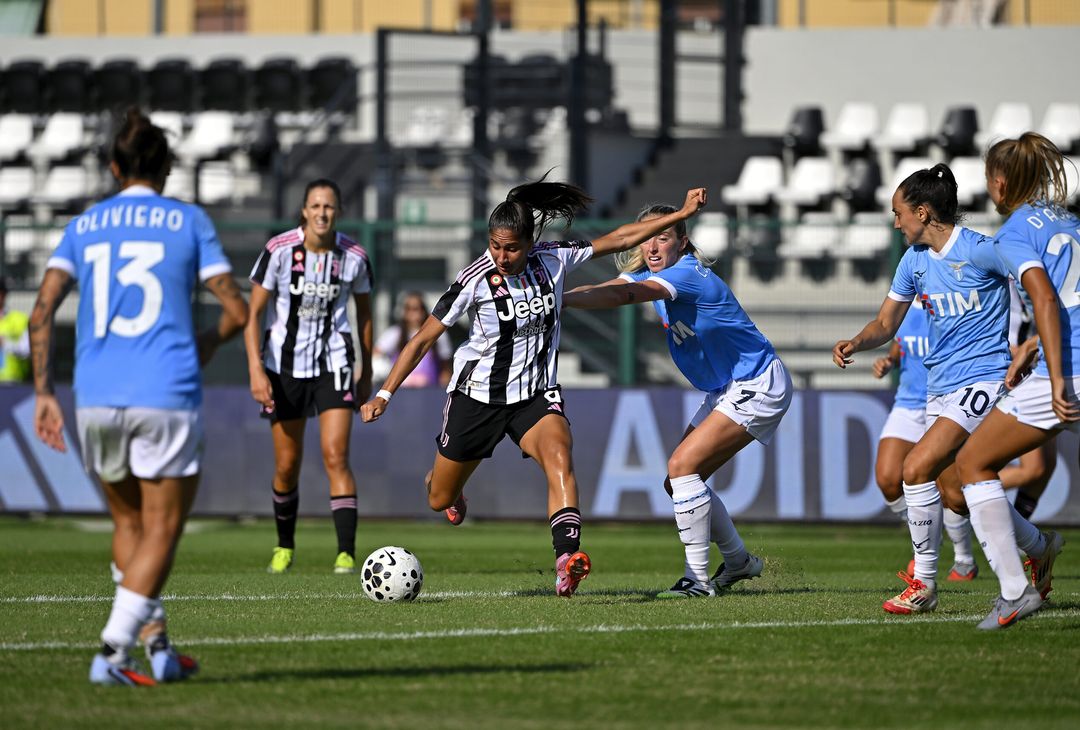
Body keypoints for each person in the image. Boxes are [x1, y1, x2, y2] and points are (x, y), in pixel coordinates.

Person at [361, 179, 707, 597]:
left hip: (535, 396)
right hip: (477, 399)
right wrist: (384, 394)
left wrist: (681, 215)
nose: (502, 257)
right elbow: (421, 340)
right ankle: (449, 488)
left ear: (530, 242)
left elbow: (619, 239)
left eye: (511, 248)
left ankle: (567, 559)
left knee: (560, 455)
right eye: (494, 246)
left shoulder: (554, 260)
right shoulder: (473, 279)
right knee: (439, 497)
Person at [30, 108, 248, 685]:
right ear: (168, 168)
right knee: (162, 530)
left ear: (112, 166)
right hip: (165, 392)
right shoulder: (188, 221)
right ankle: (111, 653)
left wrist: (44, 392)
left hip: (94, 395)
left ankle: (159, 651)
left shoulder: (85, 224)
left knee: (128, 526)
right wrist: (206, 342)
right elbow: (238, 309)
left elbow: (41, 311)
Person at [831, 163, 1048, 619]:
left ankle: (924, 583)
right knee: (956, 492)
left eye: (898, 213)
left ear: (924, 212)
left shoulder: (980, 251)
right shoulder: (913, 261)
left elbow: (1036, 280)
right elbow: (886, 323)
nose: (896, 223)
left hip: (984, 381)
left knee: (916, 467)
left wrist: (1030, 341)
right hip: (940, 386)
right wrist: (857, 340)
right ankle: (1040, 546)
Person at [563, 203, 790, 598]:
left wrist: (559, 300)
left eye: (663, 236)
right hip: (728, 387)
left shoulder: (685, 274)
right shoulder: (651, 271)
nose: (652, 246)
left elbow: (624, 296)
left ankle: (697, 581)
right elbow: (610, 289)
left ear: (682, 242)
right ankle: (737, 561)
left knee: (682, 467)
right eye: (646, 236)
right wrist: (556, 296)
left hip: (757, 381)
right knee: (678, 481)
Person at [952, 132, 1073, 629]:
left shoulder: (1015, 231)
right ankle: (1036, 557)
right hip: (1062, 353)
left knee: (972, 462)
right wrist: (1032, 346)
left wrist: (1059, 376)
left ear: (999, 183)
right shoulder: (1071, 221)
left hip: (1069, 369)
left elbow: (1045, 298)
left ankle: (1015, 590)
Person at [245, 178, 373, 576]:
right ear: (304, 210)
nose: (322, 213)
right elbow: (253, 315)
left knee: (336, 456)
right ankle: (284, 546)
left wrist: (365, 370)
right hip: (283, 369)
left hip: (333, 363)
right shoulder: (279, 250)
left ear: (338, 212)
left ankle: (346, 554)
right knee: (287, 465)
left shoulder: (354, 256)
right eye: (315, 206)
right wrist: (254, 367)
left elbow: (365, 314)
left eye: (329, 207)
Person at [374, 291, 451, 389]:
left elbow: (445, 368)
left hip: (430, 391)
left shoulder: (439, 334)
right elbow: (375, 356)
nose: (413, 313)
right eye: (409, 309)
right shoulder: (394, 333)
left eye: (417, 309)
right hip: (400, 392)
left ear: (424, 310)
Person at [0, 278, 31, 383]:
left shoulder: (20, 319)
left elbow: (27, 350)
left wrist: (5, 343)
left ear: (4, 295)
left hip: (13, 385)